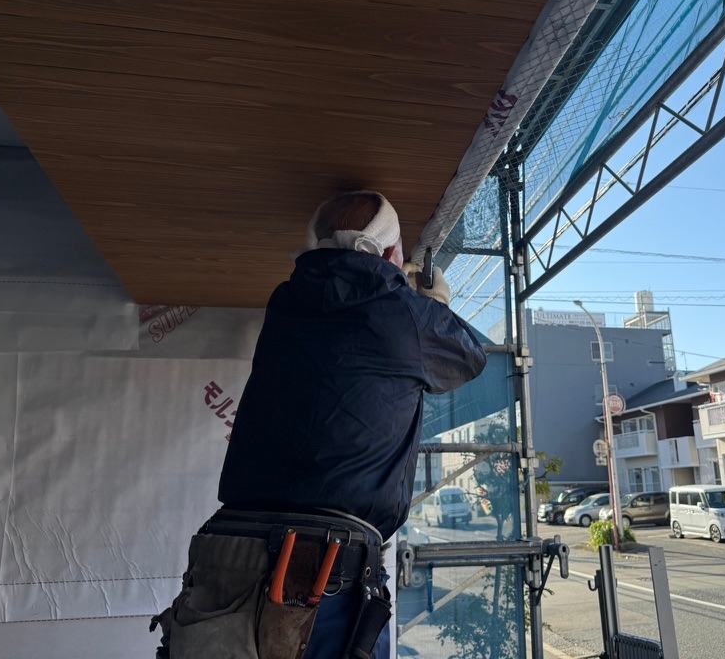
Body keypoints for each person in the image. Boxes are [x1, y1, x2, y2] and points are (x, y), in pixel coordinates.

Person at [153, 190, 487, 659]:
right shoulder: (406, 315)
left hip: (231, 551)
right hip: (321, 569)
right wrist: (433, 303)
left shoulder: (286, 302)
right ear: (391, 253)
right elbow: (468, 358)